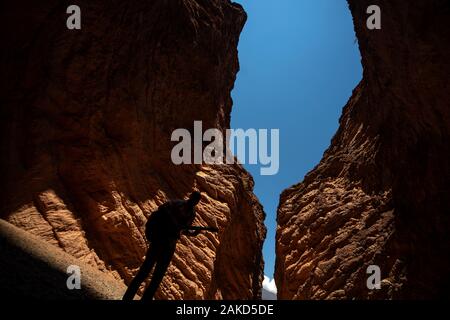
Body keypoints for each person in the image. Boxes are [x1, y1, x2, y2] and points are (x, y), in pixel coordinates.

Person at [123, 191, 217, 301]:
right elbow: (161, 210)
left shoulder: (192, 214)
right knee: (144, 272)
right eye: (194, 199)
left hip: (170, 245)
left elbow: (182, 230)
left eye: (196, 201)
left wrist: (193, 233)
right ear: (190, 197)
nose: (194, 202)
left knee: (157, 278)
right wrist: (169, 224)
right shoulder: (176, 204)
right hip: (159, 240)